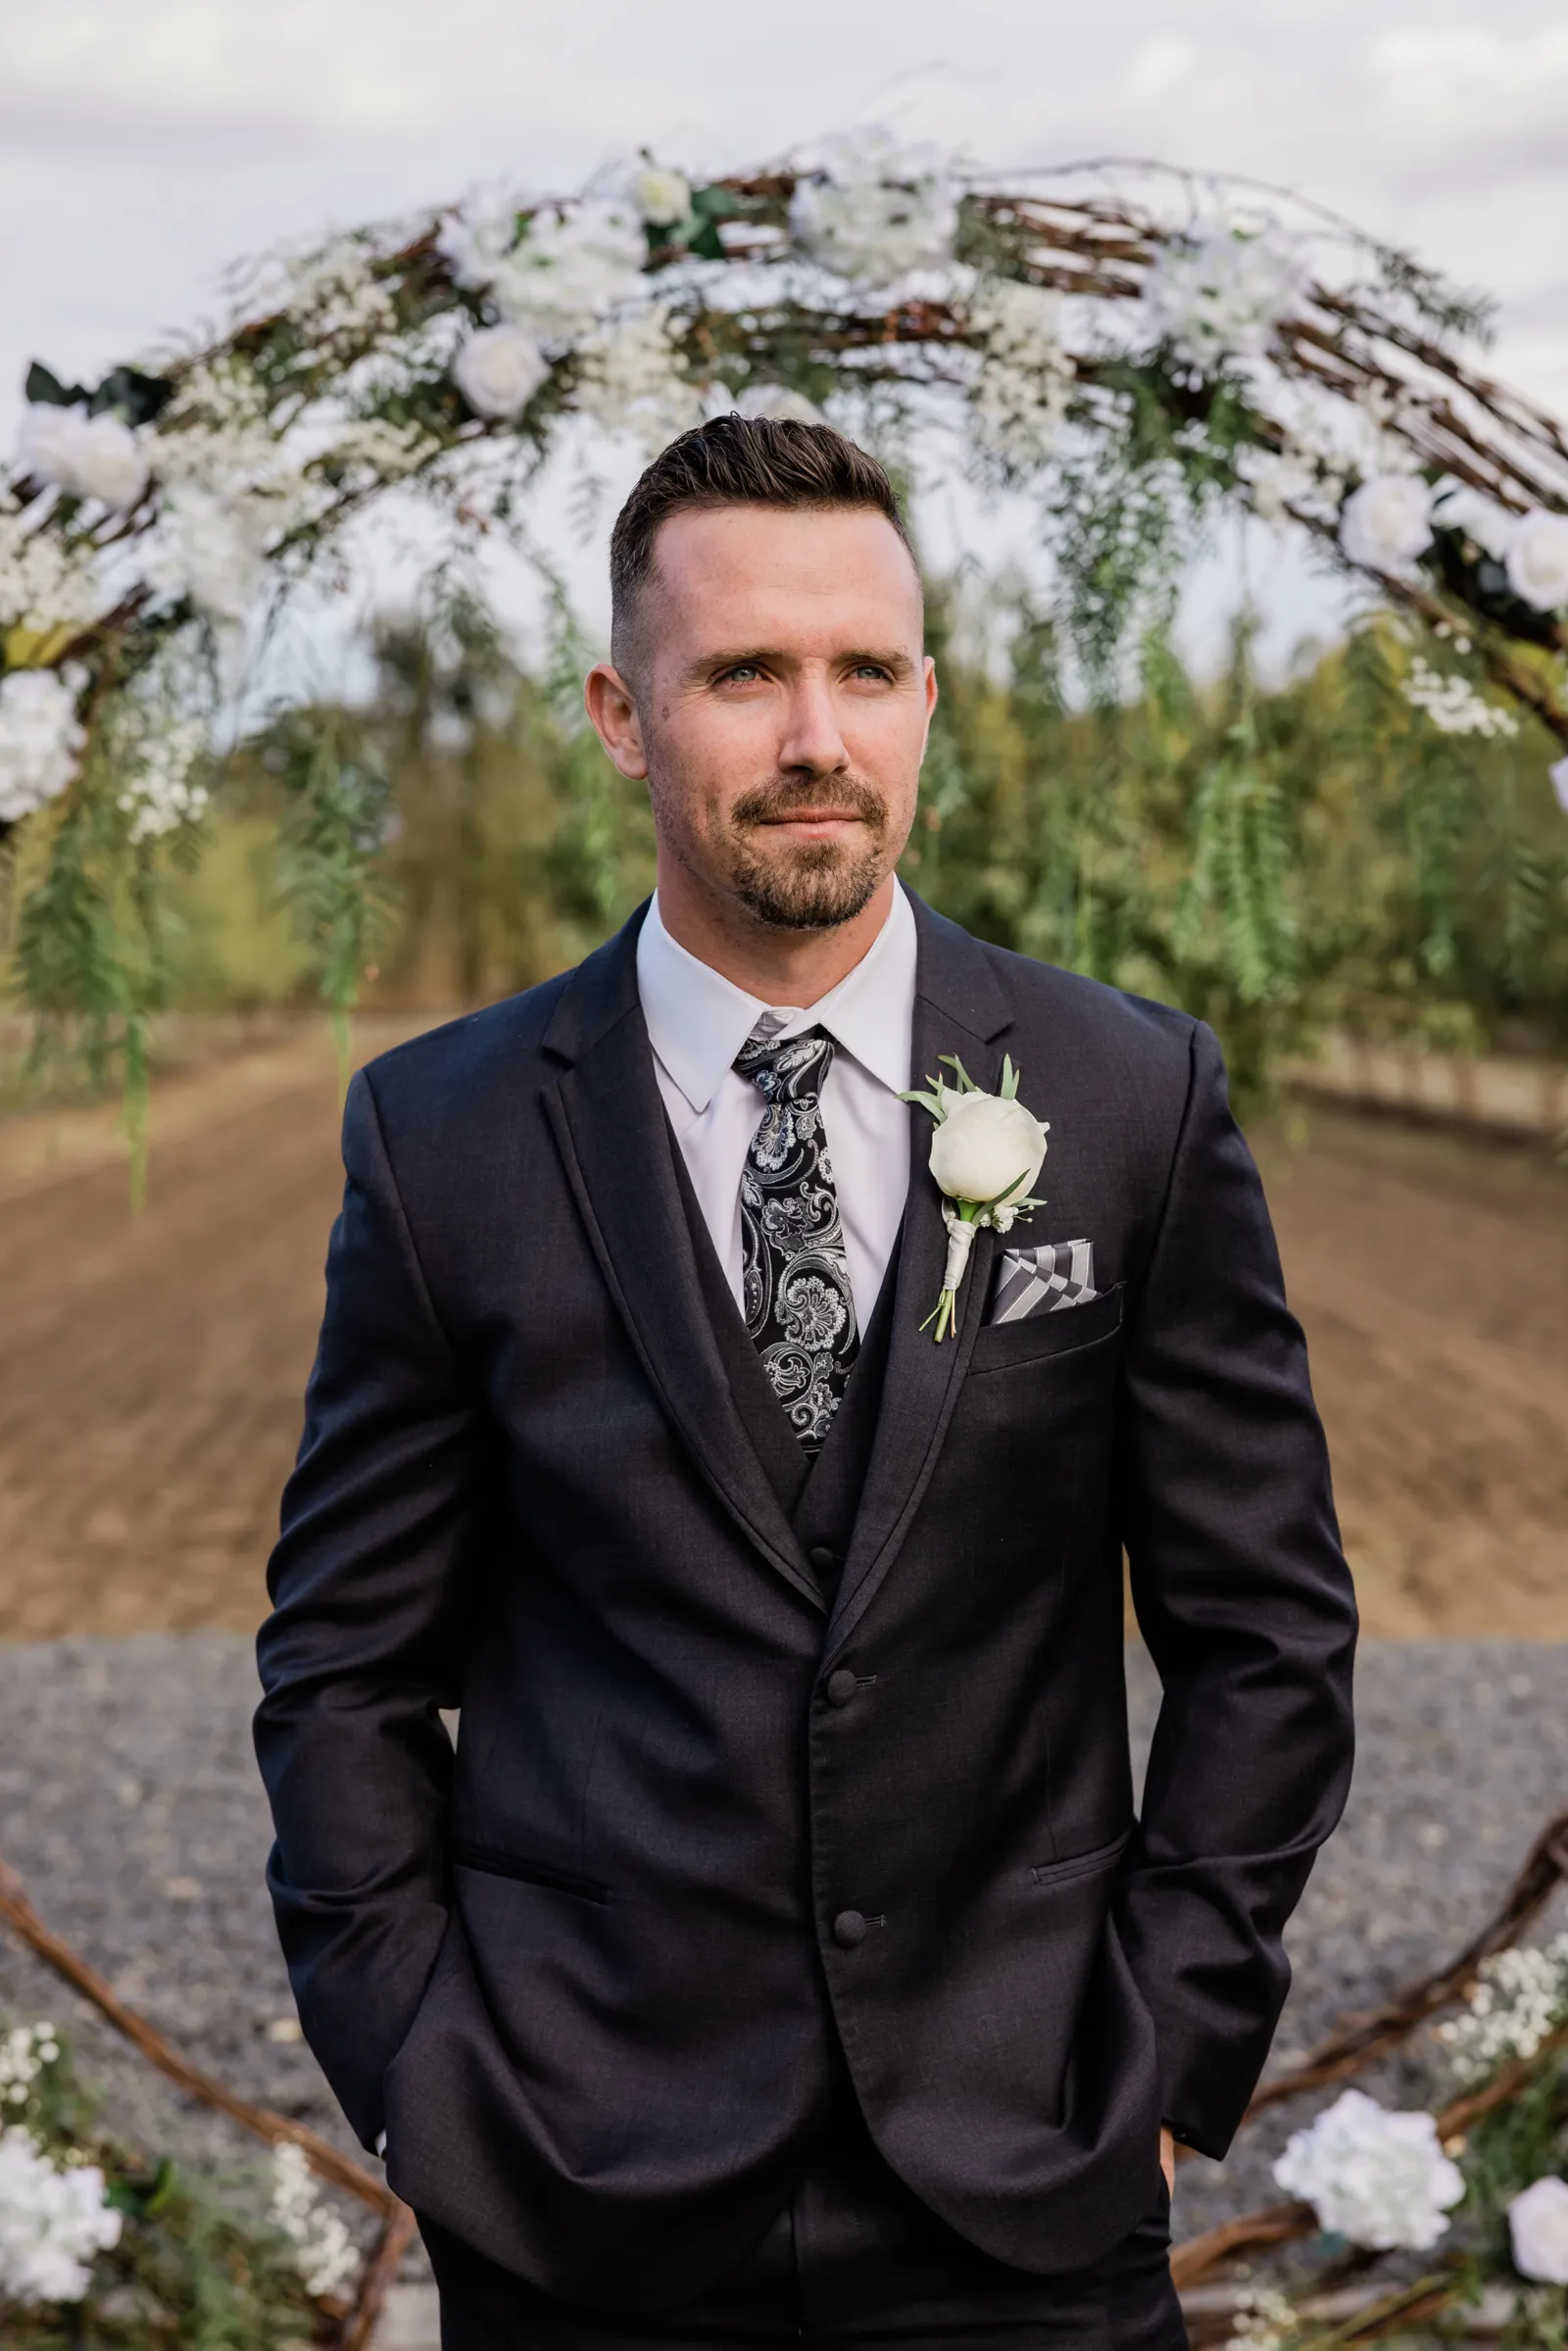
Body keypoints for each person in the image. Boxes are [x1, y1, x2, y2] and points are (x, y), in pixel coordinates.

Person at [255, 415, 1356, 2349]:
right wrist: (428, 2078)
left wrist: (1165, 2048)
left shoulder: (1122, 1098)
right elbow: (344, 1669)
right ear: (619, 709)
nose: (813, 738)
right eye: (743, 673)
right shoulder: (441, 1138)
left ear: (924, 699)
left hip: (1027, 2192)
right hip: (582, 2205)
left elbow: (1262, 1631)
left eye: (861, 670)